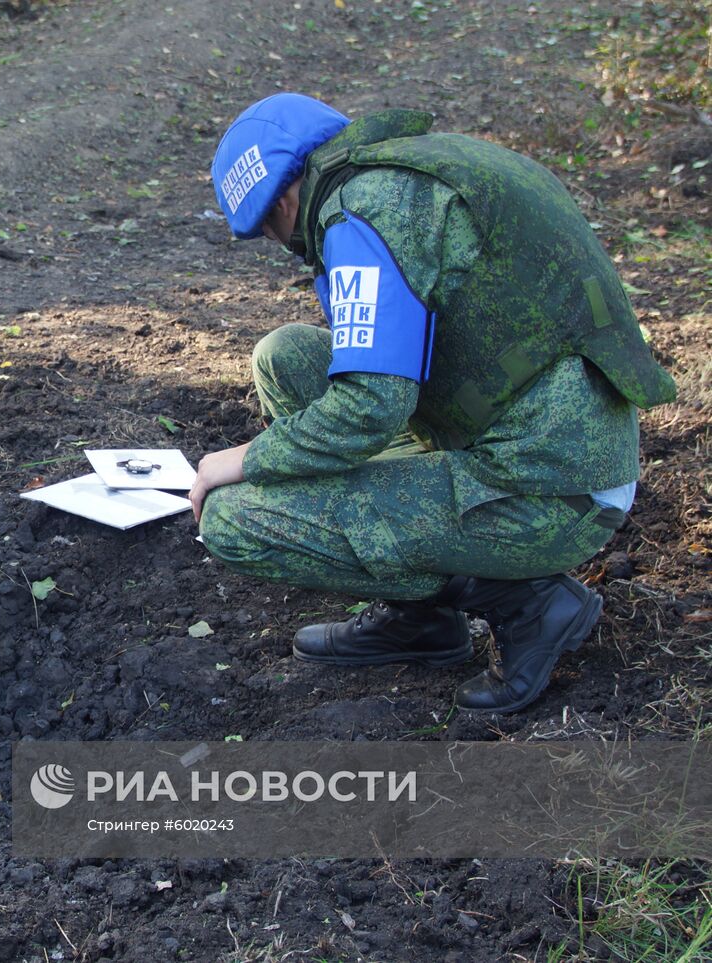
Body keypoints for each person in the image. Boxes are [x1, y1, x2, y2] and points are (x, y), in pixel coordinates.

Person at [189, 93, 676, 713]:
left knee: (233, 519)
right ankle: (421, 620)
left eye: (269, 232)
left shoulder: (359, 213)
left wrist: (241, 459)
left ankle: (527, 603)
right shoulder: (412, 169)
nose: (283, 243)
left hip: (548, 493)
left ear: (281, 203)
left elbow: (370, 405)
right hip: (543, 435)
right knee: (285, 355)